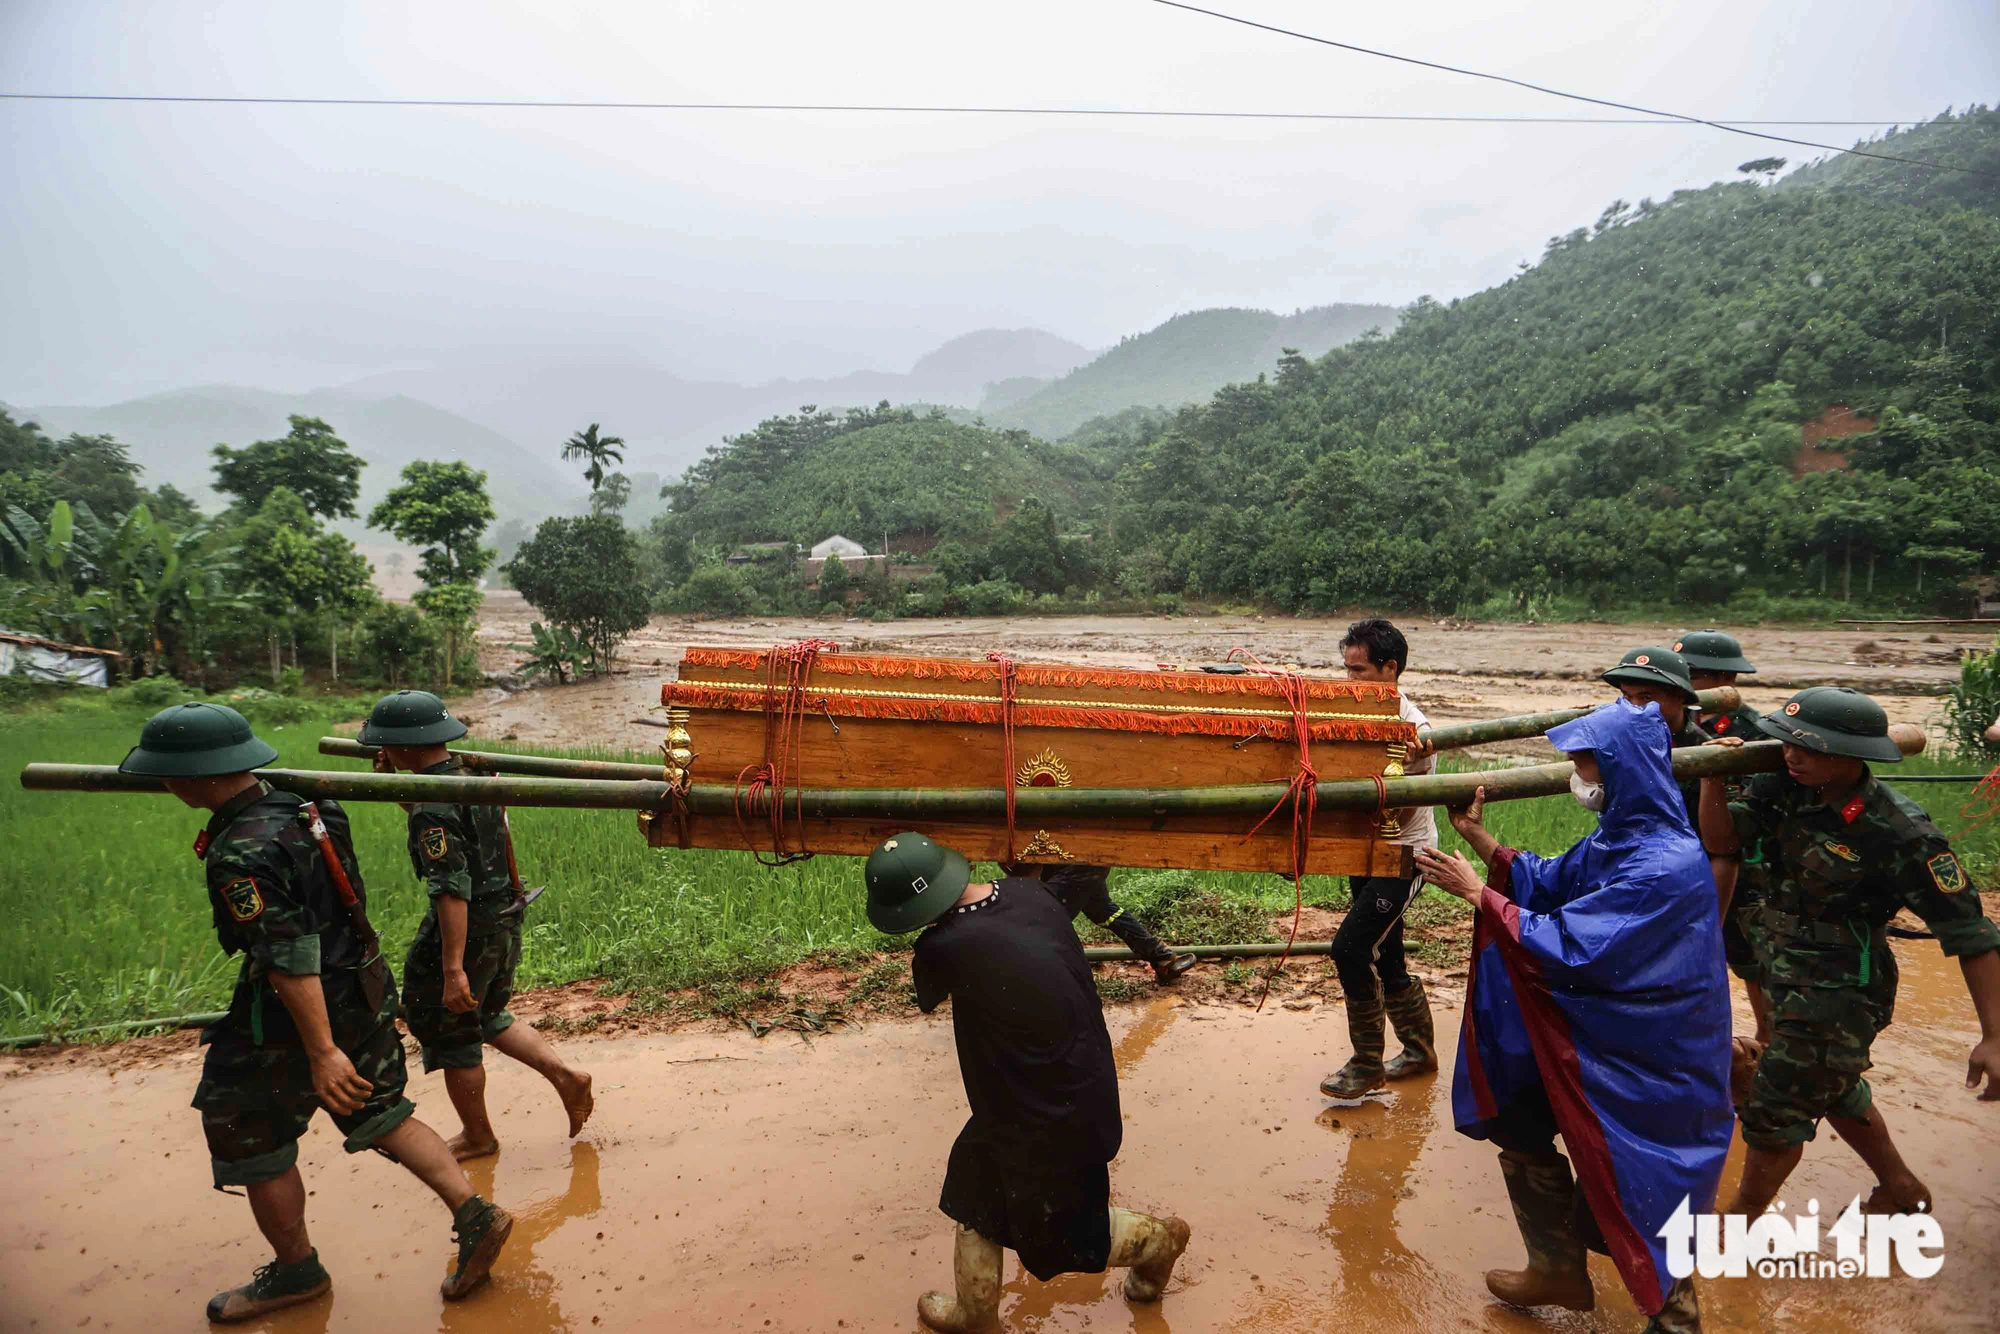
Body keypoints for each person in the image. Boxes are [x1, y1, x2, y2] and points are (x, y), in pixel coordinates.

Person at [119, 702, 512, 1322]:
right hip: (361, 982)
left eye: (167, 774)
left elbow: (287, 952)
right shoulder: (309, 805)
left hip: (298, 1008)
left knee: (245, 1123)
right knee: (379, 1107)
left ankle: (297, 1270)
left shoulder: (241, 851)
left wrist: (321, 1050)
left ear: (194, 775)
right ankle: (474, 1211)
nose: (165, 785)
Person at [1417, 699, 1731, 1334]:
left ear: (1624, 769)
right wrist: (1484, 844)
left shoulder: (1664, 864)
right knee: (1519, 1116)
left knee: (1641, 1172)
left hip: (1647, 1052)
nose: (1577, 775)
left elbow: (1571, 945)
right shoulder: (1623, 836)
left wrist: (1478, 893)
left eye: (1586, 762)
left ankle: (1677, 1317)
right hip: (1599, 1030)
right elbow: (1553, 882)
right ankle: (1556, 1266)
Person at [864, 833, 1191, 1332]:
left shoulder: (941, 946)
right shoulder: (1031, 894)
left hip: (1045, 1111)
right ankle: (975, 1316)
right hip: (1066, 1084)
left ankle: (1156, 1244)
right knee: (973, 1188)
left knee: (1065, 1235)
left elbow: (929, 995)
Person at [1697, 687, 2000, 1223]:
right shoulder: (1786, 787)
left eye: (1810, 749)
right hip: (1786, 973)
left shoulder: (1901, 832)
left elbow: (1972, 935)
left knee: (1773, 1110)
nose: (1792, 756)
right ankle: (1903, 1190)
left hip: (1842, 992)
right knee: (1833, 1086)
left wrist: (1995, 1034)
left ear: (1850, 754)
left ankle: (1737, 1222)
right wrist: (1712, 777)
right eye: (1787, 743)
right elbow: (1722, 841)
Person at [362, 690, 594, 1159]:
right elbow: (455, 826)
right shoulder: (474, 774)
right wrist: (400, 787)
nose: (381, 751)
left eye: (385, 744)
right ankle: (564, 1076)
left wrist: (451, 968)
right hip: (504, 916)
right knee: (485, 1014)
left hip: (468, 929)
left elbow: (451, 887)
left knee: (453, 1032)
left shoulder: (433, 806)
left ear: (405, 746)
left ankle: (478, 1136)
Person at [1321, 618, 1440, 1100]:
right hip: (1363, 851)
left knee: (1349, 949)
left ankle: (1367, 1063)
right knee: (1385, 953)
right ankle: (1419, 1053)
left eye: (1361, 672)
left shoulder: (1415, 730)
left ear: (1390, 669)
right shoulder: (1353, 715)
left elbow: (1400, 810)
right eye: (1346, 671)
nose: (1351, 683)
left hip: (1404, 855)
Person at [1674, 630, 1776, 1046]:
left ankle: (1768, 1042)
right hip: (1685, 856)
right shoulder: (1676, 721)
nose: (1683, 683)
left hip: (1744, 865)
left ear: (1723, 679)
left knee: (1752, 959)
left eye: (1692, 675)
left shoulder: (1753, 732)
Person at [1029, 863, 1195, 984]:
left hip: (1074, 862)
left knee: (1043, 920)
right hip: (1089, 859)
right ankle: (1160, 957)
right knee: (1104, 911)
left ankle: (1047, 980)